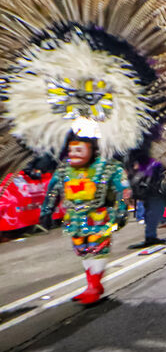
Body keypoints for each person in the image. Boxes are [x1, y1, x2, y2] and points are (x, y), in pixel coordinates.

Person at [40, 129, 130, 304]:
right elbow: (53, 190)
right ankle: (92, 285)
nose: (74, 154)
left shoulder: (109, 167)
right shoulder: (64, 169)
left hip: (100, 218)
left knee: (98, 249)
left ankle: (93, 287)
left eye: (79, 150)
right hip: (74, 220)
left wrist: (121, 213)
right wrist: (46, 211)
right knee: (82, 251)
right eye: (71, 150)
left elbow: (123, 191)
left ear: (92, 150)